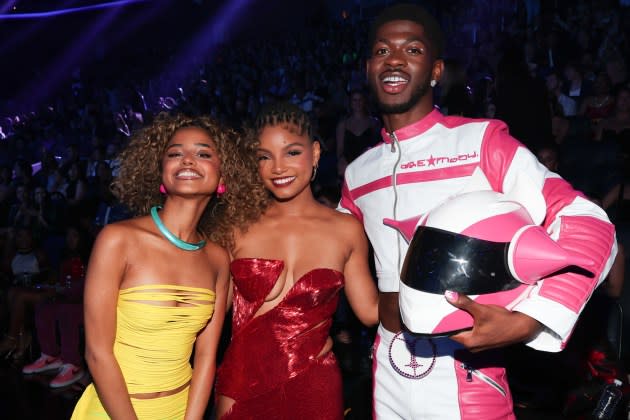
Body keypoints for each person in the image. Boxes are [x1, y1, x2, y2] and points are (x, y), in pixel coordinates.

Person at [338, 4, 618, 419]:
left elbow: (587, 221)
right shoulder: (358, 173)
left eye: (411, 50)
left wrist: (529, 320)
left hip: (468, 376)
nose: (394, 59)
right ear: (367, 69)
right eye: (382, 51)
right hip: (387, 375)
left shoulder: (480, 142)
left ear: (435, 71)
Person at [71, 113, 249, 419]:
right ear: (161, 175)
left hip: (180, 409)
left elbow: (206, 357)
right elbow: (97, 354)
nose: (188, 160)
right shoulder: (118, 240)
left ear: (223, 179)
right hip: (112, 411)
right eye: (175, 153)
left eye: (203, 153)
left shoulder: (218, 259)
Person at [214, 102, 378, 419]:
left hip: (314, 385)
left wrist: (433, 294)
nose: (278, 167)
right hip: (242, 385)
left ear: (315, 153)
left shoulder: (346, 229)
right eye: (264, 156)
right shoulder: (235, 228)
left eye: (291, 152)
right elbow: (211, 313)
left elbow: (370, 312)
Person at [335, 88, 381, 177]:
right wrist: (341, 160)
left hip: (368, 164)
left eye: (360, 100)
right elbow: (340, 149)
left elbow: (378, 145)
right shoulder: (343, 124)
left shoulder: (374, 122)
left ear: (364, 101)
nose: (357, 103)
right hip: (349, 165)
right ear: (350, 103)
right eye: (354, 100)